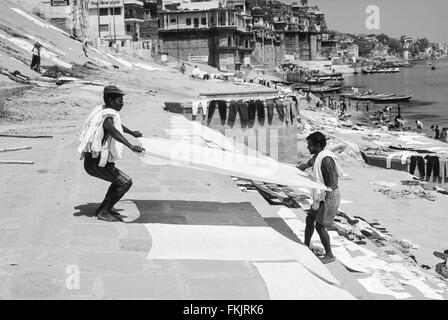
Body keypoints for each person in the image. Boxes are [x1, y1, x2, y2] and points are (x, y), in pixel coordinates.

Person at [77, 85, 145, 222]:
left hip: (94, 162)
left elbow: (117, 126)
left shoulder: (103, 111)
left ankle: (102, 208)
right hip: (96, 163)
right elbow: (113, 131)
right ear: (110, 100)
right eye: (120, 101)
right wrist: (131, 146)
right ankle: (104, 212)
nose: (122, 104)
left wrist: (132, 132)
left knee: (118, 182)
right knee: (125, 182)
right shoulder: (107, 116)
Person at [297, 132, 344, 264]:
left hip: (329, 195)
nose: (308, 148)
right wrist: (293, 172)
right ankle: (306, 244)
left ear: (317, 145)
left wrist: (321, 196)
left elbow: (331, 183)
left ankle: (330, 255)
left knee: (320, 225)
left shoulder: (326, 159)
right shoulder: (317, 157)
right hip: (322, 195)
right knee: (310, 217)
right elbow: (305, 165)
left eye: (310, 145)